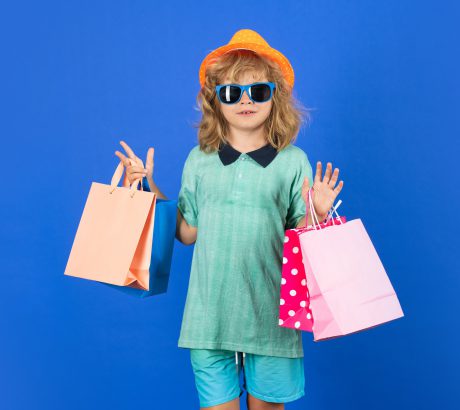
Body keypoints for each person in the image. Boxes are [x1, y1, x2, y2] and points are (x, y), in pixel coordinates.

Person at [115, 29, 343, 410]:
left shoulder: (292, 162)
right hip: (209, 319)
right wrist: (147, 186)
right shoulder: (199, 160)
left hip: (271, 320)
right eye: (231, 92)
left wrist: (317, 214)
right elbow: (186, 232)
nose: (245, 101)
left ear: (276, 97)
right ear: (215, 101)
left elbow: (302, 245)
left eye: (258, 91)